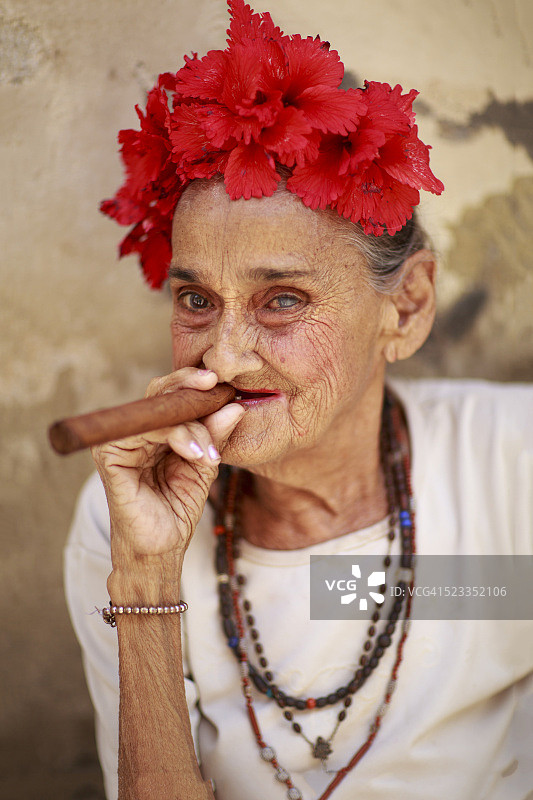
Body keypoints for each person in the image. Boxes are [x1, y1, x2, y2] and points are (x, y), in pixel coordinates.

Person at [64, 2, 533, 799]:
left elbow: (378, 588)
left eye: (281, 300)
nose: (223, 355)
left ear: (407, 307)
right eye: (195, 300)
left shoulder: (510, 461)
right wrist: (145, 578)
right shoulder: (123, 517)